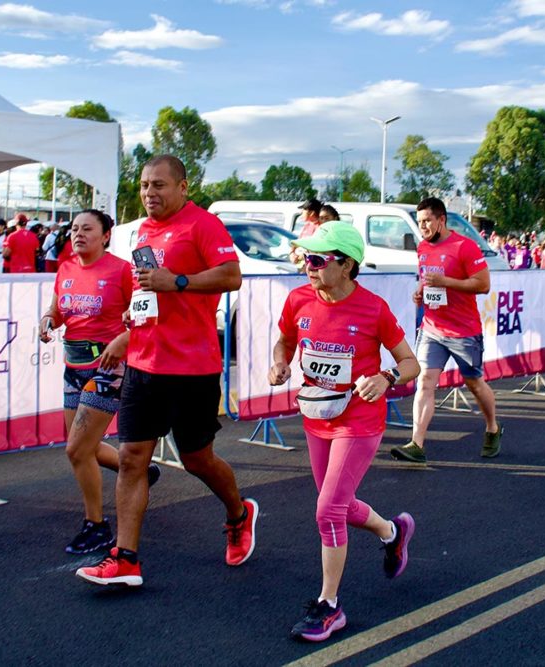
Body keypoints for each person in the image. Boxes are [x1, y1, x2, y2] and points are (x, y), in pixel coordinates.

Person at [75, 155, 258, 588]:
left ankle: (239, 513)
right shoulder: (142, 230)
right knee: (131, 458)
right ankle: (125, 559)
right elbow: (146, 294)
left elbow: (232, 276)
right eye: (143, 185)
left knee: (198, 459)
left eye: (159, 185)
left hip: (192, 366)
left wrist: (177, 281)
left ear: (182, 186)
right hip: (144, 362)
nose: (149, 193)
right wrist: (127, 336)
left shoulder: (202, 225)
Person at [268, 221, 420, 642]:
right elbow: (283, 341)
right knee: (337, 504)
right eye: (305, 258)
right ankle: (393, 532)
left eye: (317, 259)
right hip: (316, 417)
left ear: (347, 265)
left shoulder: (373, 309)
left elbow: (411, 363)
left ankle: (329, 606)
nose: (308, 266)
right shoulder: (299, 299)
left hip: (359, 422)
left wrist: (387, 378)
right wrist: (279, 363)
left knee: (327, 511)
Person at [39, 210, 160, 555]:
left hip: (109, 368)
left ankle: (97, 525)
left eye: (87, 229)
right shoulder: (65, 268)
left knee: (76, 449)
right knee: (85, 449)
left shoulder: (121, 270)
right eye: (74, 229)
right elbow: (58, 310)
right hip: (72, 365)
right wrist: (48, 320)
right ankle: (140, 470)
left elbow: (144, 313)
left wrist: (125, 338)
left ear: (105, 235)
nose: (78, 234)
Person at [390, 196, 502, 464]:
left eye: (427, 221)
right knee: (425, 381)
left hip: (463, 331)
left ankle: (492, 427)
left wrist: (445, 282)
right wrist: (420, 292)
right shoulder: (422, 248)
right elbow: (426, 279)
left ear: (442, 220)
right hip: (432, 328)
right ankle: (416, 444)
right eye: (419, 222)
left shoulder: (465, 247)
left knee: (474, 383)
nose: (423, 227)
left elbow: (483, 284)